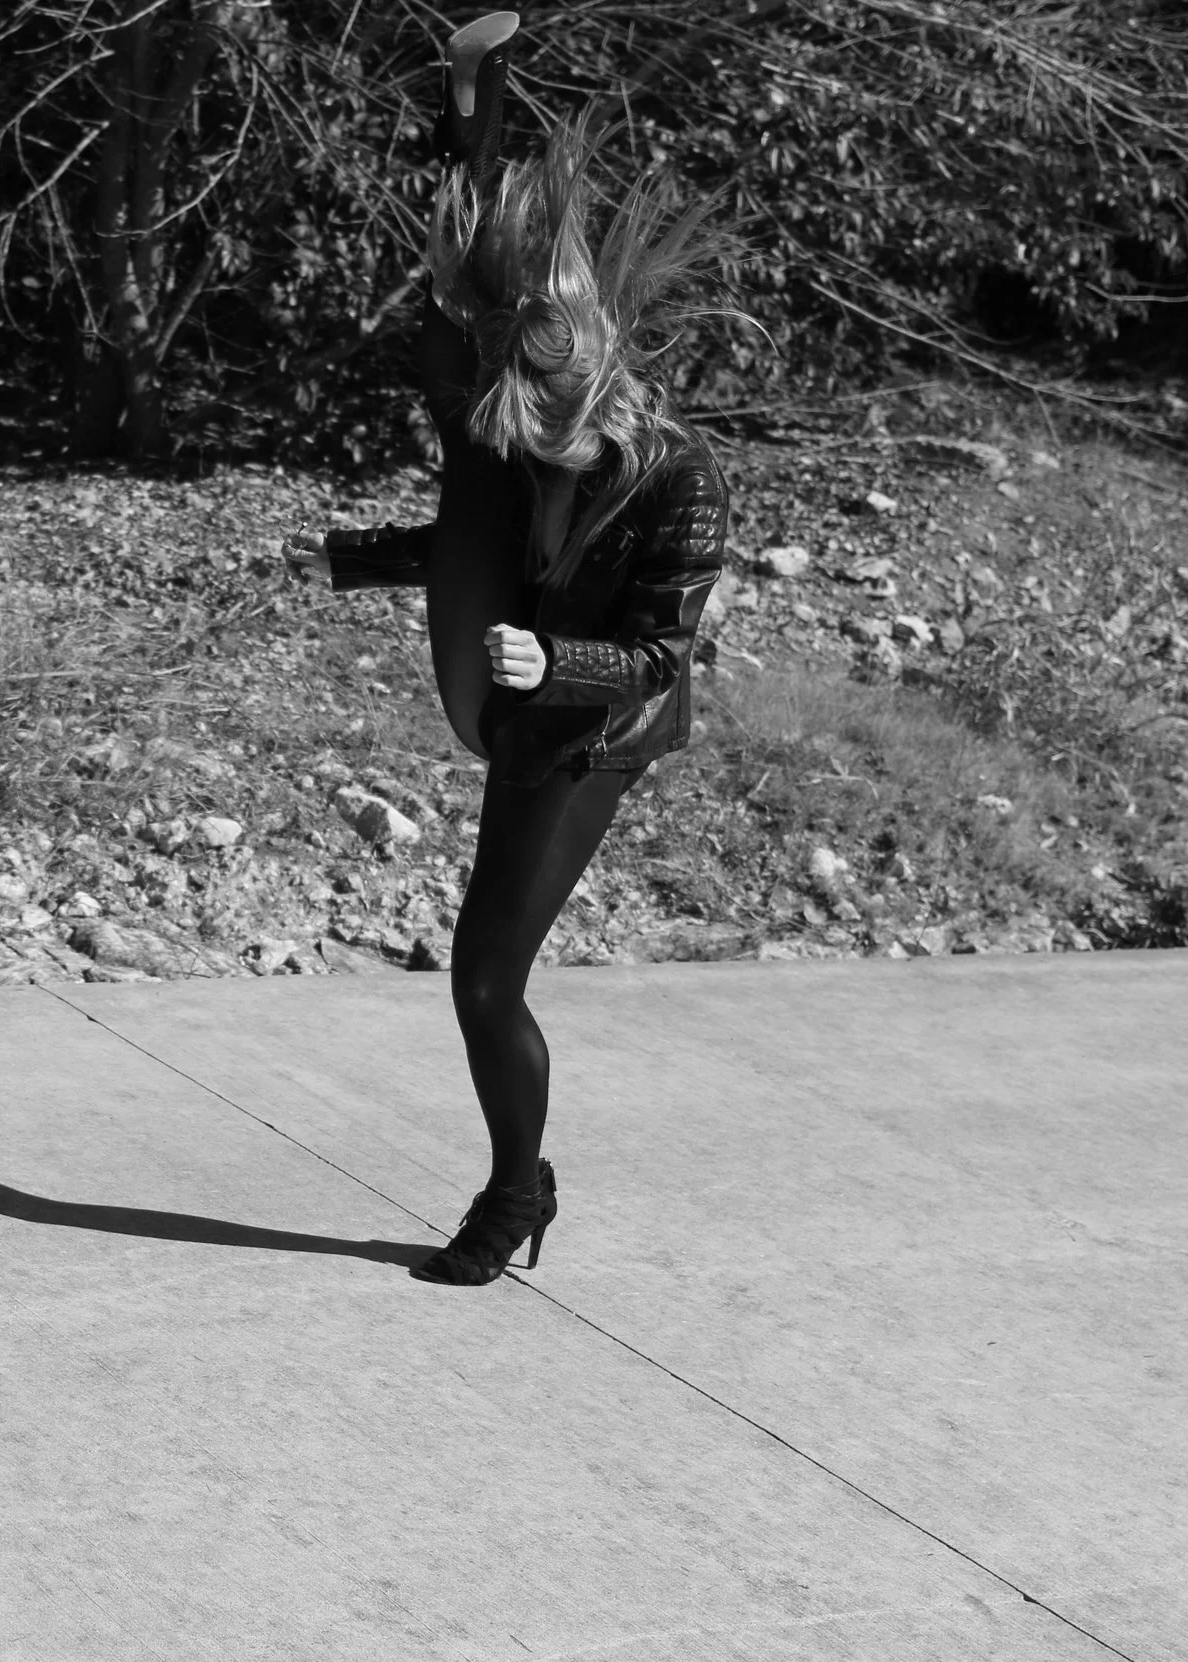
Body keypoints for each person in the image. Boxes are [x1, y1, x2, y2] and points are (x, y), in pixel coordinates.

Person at [285, 12, 740, 1286]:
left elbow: (659, 654)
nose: (518, 455)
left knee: (487, 981)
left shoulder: (681, 484)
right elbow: (467, 525)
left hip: (597, 728)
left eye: (535, 440)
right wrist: (337, 559)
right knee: (475, 980)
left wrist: (559, 671)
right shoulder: (510, 427)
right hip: (522, 694)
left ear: (590, 402)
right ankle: (476, 78)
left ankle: (514, 1193)